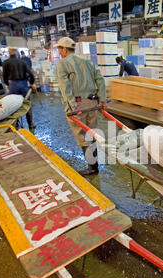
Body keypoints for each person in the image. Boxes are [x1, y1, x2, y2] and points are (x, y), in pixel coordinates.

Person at [55, 37, 107, 175]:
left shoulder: (62, 64)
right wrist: (102, 99)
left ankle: (92, 168)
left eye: (59, 49)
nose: (59, 52)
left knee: (82, 136)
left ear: (64, 49)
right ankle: (95, 165)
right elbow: (100, 79)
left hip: (77, 104)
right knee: (92, 133)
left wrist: (73, 106)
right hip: (92, 103)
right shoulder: (87, 61)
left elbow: (65, 88)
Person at [2, 48, 36, 131]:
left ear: (9, 53)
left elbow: (4, 76)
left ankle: (15, 126)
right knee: (27, 104)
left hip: (13, 84)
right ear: (16, 53)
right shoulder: (22, 62)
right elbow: (30, 73)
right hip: (23, 84)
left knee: (13, 105)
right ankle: (30, 124)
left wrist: (7, 84)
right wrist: (31, 83)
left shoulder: (6, 63)